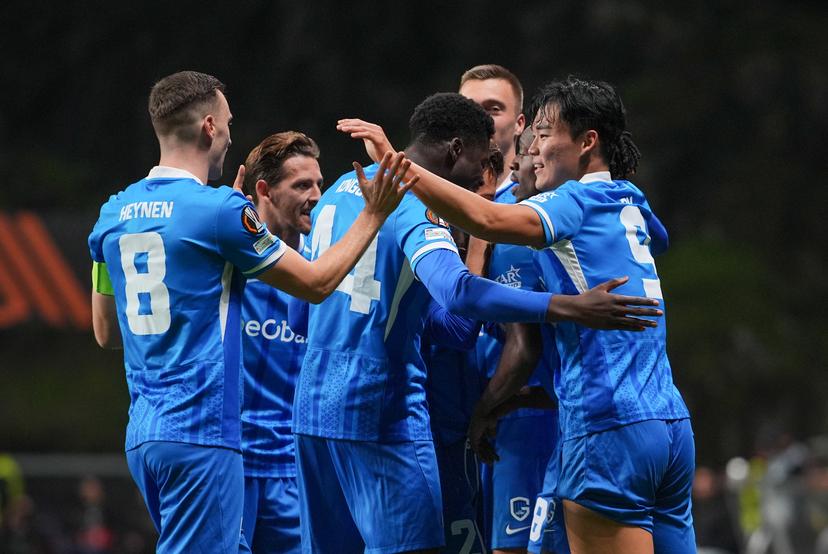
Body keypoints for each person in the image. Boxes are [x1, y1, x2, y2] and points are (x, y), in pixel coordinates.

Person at [297, 92, 664, 554]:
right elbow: (458, 292)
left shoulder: (338, 191)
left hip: (310, 408)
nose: (484, 175)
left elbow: (444, 325)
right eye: (483, 160)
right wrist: (563, 306)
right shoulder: (413, 203)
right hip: (378, 407)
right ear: (454, 151)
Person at [87, 70, 414, 553]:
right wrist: (374, 214)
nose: (231, 136)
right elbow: (319, 282)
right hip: (202, 434)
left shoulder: (112, 212)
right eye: (230, 124)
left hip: (145, 439)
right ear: (209, 128)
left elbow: (105, 332)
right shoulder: (219, 210)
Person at [378, 76, 694, 553]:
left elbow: (485, 219)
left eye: (546, 135)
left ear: (588, 143)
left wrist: (401, 166)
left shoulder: (570, 200)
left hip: (608, 422)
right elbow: (659, 237)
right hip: (669, 425)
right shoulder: (630, 198)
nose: (534, 149)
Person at [237, 131, 323, 553]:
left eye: (319, 184)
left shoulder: (322, 266)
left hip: (294, 468)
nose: (316, 195)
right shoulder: (225, 262)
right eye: (302, 185)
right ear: (264, 191)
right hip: (230, 462)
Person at [458, 64, 526, 185]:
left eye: (493, 109)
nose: (479, 119)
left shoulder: (541, 198)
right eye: (468, 108)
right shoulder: (421, 195)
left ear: (518, 124)